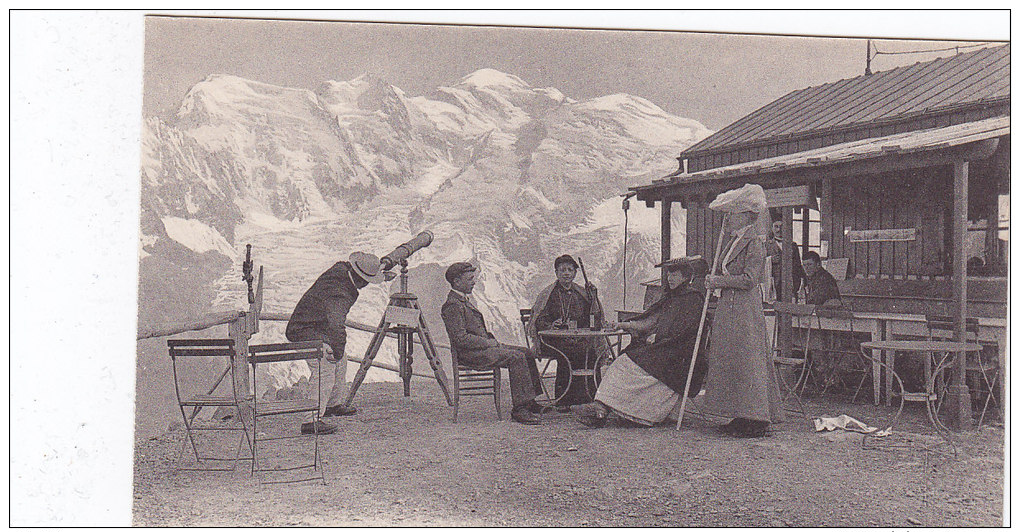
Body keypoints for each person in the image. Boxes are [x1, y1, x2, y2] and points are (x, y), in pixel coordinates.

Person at [575, 257, 710, 428]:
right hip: (666, 348)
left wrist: (659, 338)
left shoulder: (693, 299)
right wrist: (621, 324)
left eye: (674, 275)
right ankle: (605, 408)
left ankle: (606, 409)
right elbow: (650, 322)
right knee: (623, 359)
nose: (670, 278)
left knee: (626, 362)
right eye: (669, 274)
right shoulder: (671, 297)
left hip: (681, 353)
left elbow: (686, 332)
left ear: (685, 277)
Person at [702, 184, 784, 438]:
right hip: (730, 307)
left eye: (732, 214)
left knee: (747, 359)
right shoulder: (734, 241)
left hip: (745, 308)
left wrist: (719, 282)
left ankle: (757, 417)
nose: (727, 219)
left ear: (745, 215)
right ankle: (741, 413)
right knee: (734, 357)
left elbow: (749, 279)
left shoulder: (754, 243)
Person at [286, 251, 385, 435]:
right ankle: (311, 420)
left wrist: (378, 270)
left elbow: (364, 267)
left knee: (341, 360)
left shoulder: (341, 269)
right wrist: (336, 350)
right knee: (325, 367)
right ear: (362, 280)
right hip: (304, 331)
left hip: (314, 327)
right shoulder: (340, 292)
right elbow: (336, 323)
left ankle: (332, 404)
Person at [440, 262, 544, 425]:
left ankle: (531, 401)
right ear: (457, 281)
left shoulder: (461, 300)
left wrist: (491, 343)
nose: (473, 282)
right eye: (470, 279)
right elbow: (460, 339)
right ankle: (520, 409)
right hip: (471, 354)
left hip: (482, 348)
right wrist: (489, 344)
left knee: (526, 352)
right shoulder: (452, 305)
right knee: (516, 358)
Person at [527, 254, 610, 410]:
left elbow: (591, 316)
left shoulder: (582, 293)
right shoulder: (548, 295)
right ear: (556, 273)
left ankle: (590, 397)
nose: (566, 273)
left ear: (575, 273)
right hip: (552, 342)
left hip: (577, 339)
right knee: (570, 353)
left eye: (569, 270)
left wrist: (594, 298)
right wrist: (552, 324)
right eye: (562, 270)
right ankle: (564, 400)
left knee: (591, 352)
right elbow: (538, 321)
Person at [764, 209, 805, 302]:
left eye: (781, 227)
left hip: (790, 282)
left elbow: (798, 265)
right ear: (772, 228)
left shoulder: (793, 245)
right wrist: (770, 260)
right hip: (773, 282)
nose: (779, 230)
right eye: (776, 227)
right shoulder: (766, 245)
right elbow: (760, 264)